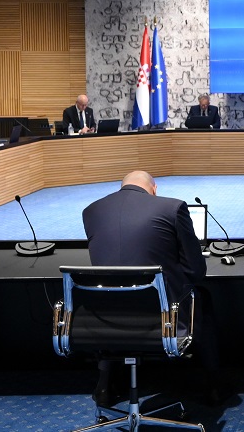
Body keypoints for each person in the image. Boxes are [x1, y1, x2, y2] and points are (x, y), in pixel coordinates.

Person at [81, 171, 219, 406]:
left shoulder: (91, 211)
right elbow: (196, 271)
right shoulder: (172, 208)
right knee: (201, 297)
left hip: (105, 321)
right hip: (163, 319)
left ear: (121, 186)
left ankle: (104, 385)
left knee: (117, 300)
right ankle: (214, 386)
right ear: (154, 189)